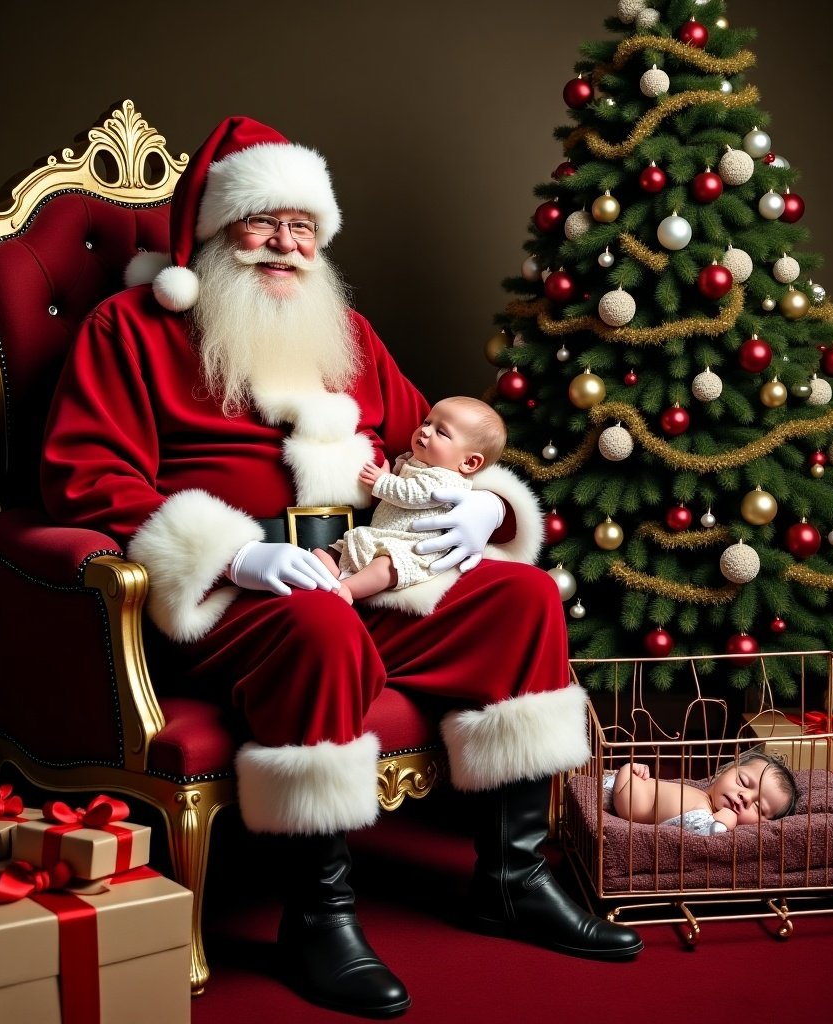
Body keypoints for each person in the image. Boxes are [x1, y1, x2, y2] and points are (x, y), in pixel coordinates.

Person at [40, 115, 642, 1019]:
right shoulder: (129, 330)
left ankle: (511, 879)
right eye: (263, 222)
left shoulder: (345, 332)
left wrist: (488, 504)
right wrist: (236, 554)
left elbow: (430, 439)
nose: (284, 245)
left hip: (368, 573)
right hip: (236, 602)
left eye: (302, 228)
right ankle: (317, 916)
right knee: (317, 623)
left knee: (520, 596)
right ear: (213, 229)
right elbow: (83, 477)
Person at [314, 396, 507, 604]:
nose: (425, 430)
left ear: (469, 462)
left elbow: (414, 493)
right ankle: (331, 579)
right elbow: (404, 480)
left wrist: (383, 482)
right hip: (381, 534)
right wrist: (390, 475)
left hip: (411, 546)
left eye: (441, 432)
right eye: (426, 422)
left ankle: (347, 588)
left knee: (388, 566)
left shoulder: (446, 478)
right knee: (326, 552)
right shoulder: (418, 461)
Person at [606, 748, 799, 836]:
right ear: (726, 769)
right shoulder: (701, 795)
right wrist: (635, 770)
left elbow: (705, 831)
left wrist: (725, 821)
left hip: (625, 797)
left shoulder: (705, 816)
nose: (745, 797)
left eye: (758, 807)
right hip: (619, 785)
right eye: (742, 781)